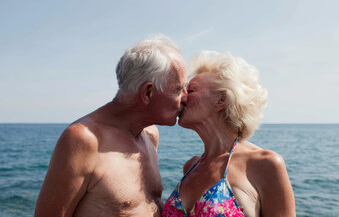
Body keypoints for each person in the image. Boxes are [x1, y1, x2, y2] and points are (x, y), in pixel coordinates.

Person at [35, 35, 188, 217]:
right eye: (179, 89)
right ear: (148, 92)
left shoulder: (150, 135)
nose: (186, 97)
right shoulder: (84, 140)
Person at [163, 50, 296, 217]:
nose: (182, 97)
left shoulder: (265, 164)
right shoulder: (191, 166)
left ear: (221, 100)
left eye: (191, 90)